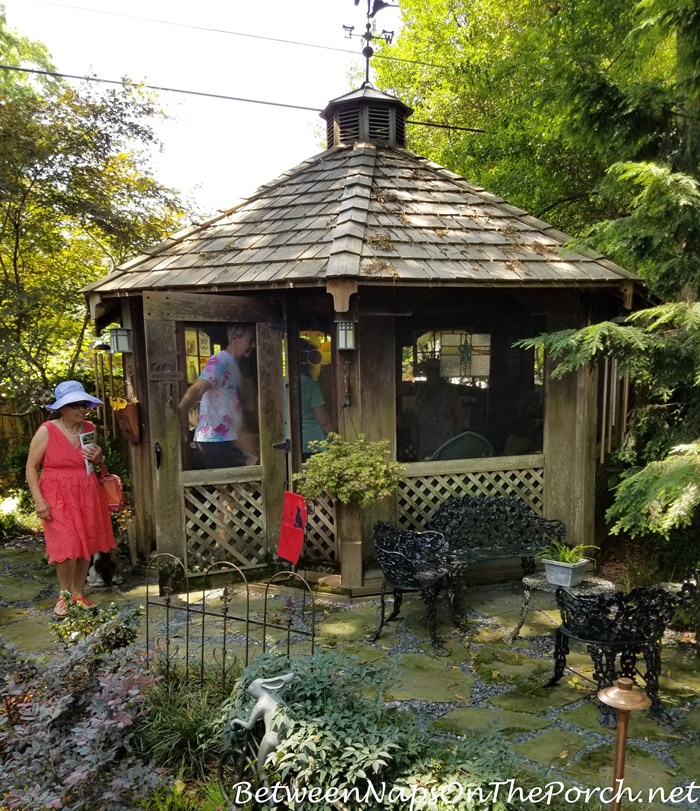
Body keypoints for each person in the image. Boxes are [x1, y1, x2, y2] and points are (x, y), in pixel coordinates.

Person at [25, 380, 116, 618]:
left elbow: (94, 463)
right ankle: (64, 596)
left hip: (86, 490)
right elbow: (31, 467)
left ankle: (78, 593)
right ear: (61, 408)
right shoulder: (47, 430)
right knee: (66, 545)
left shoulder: (89, 429)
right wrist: (38, 500)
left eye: (83, 404)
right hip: (56, 493)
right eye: (74, 404)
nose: (81, 408)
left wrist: (99, 458)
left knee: (86, 544)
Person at [179, 323, 256, 469]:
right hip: (215, 440)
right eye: (250, 340)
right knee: (235, 485)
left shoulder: (234, 365)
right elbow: (197, 389)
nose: (253, 346)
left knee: (239, 484)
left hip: (229, 438)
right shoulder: (219, 362)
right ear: (235, 339)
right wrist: (180, 412)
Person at [411, 358, 464, 460]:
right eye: (430, 369)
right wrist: (414, 440)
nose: (433, 373)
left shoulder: (450, 391)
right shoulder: (421, 391)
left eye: (437, 370)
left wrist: (454, 445)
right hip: (425, 445)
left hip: (445, 445)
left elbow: (459, 419)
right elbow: (415, 417)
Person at [299, 339, 333, 457]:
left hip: (290, 441)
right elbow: (324, 421)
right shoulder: (310, 384)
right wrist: (336, 441)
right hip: (315, 442)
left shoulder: (281, 383)